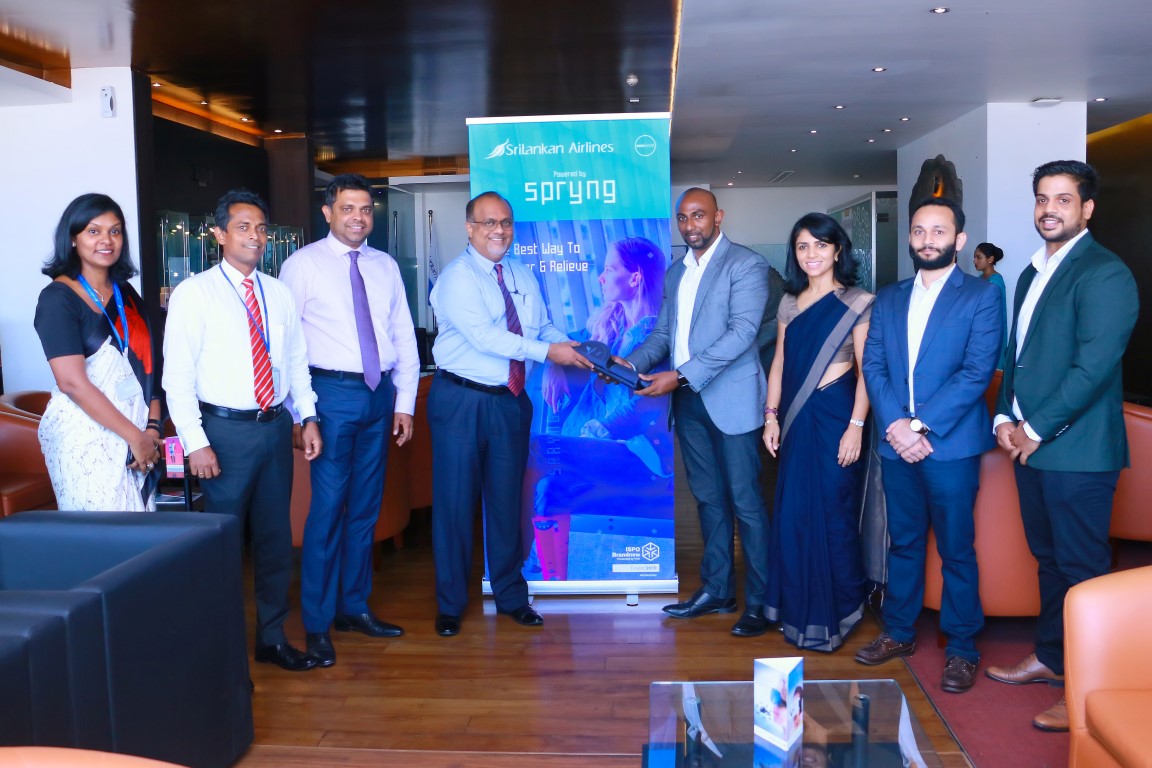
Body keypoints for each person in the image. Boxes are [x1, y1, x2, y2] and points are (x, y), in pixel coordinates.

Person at [985, 160, 1138, 732]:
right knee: (1049, 562)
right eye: (1042, 198)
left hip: (1077, 452)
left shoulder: (1105, 273)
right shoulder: (1030, 273)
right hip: (1031, 447)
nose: (1049, 209)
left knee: (1083, 572)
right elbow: (1016, 354)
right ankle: (1053, 657)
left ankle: (1092, 692)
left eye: (1064, 199)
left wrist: (1034, 428)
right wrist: (1005, 415)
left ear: (1087, 208)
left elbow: (1092, 368)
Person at [163, 189, 322, 672]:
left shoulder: (278, 291)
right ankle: (223, 655)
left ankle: (272, 639)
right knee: (224, 545)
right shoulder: (196, 293)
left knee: (275, 542)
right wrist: (196, 443)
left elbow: (296, 362)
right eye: (243, 227)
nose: (255, 236)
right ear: (219, 234)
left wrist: (307, 416)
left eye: (261, 228)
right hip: (223, 433)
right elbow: (177, 377)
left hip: (274, 428)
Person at [427, 191, 592, 637]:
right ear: (469, 228)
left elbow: (540, 327)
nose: (499, 231)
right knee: (455, 503)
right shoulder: (458, 277)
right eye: (488, 223)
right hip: (461, 400)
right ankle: (450, 605)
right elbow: (486, 338)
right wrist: (549, 352)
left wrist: (573, 348)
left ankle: (511, 597)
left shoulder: (520, 273)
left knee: (505, 502)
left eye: (505, 223)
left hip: (510, 401)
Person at [858, 197, 1002, 694]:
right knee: (904, 542)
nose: (927, 240)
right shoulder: (890, 296)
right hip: (896, 444)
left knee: (957, 548)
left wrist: (918, 427)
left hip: (950, 446)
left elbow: (977, 372)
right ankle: (899, 631)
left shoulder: (981, 296)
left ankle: (962, 647)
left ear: (959, 239)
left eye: (939, 231)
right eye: (919, 231)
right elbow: (873, 364)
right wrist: (896, 426)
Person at [279, 174, 419, 668]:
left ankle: (353, 607)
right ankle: (317, 624)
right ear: (328, 212)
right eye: (347, 208)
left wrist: (405, 403)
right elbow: (286, 346)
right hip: (330, 394)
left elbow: (403, 335)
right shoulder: (302, 265)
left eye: (364, 209)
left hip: (379, 395)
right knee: (328, 511)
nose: (358, 217)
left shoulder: (385, 266)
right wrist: (301, 413)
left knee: (365, 508)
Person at [622, 187, 771, 637]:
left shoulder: (746, 264)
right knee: (708, 499)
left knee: (746, 503)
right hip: (688, 401)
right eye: (683, 218)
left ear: (718, 217)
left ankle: (762, 603)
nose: (690, 226)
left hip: (732, 401)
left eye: (699, 216)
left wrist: (680, 375)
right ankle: (718, 590)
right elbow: (663, 334)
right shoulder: (676, 272)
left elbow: (742, 333)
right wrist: (630, 364)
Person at [762, 213, 872, 652]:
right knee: (794, 515)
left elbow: (867, 372)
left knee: (834, 514)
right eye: (803, 246)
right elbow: (779, 363)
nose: (812, 254)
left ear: (837, 250)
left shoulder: (859, 302)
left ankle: (841, 609)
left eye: (821, 245)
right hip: (795, 419)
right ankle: (797, 609)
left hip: (836, 417)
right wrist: (771, 417)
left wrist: (856, 427)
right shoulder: (790, 303)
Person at [34, 193, 163, 511]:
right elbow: (72, 383)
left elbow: (150, 368)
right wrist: (135, 437)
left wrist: (152, 429)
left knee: (141, 534)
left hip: (138, 435)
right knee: (99, 533)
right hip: (85, 440)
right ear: (73, 238)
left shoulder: (126, 294)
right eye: (94, 231)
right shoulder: (57, 299)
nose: (106, 240)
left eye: (115, 231)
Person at [547, 236, 666, 441]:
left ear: (634, 279)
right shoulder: (609, 325)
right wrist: (554, 366)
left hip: (616, 445)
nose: (600, 278)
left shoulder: (659, 336)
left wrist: (601, 431)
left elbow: (648, 401)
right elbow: (567, 342)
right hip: (578, 434)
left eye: (609, 270)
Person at [973, 242, 1008, 369]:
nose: (974, 261)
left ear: (990, 259)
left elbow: (993, 314)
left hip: (991, 331)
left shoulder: (995, 281)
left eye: (978, 257)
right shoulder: (979, 278)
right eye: (974, 257)